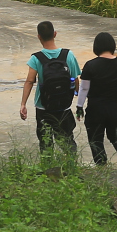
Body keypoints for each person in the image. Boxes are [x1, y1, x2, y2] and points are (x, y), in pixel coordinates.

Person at [75, 32, 117, 167]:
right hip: (116, 108)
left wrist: (79, 107)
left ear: (96, 47)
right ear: (112, 46)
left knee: (95, 137)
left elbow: (84, 89)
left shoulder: (90, 65)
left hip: (96, 108)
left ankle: (101, 163)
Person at [18, 20, 78, 155]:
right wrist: (76, 96)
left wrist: (23, 104)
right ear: (55, 34)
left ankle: (48, 170)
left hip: (43, 106)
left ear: (39, 36)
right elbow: (75, 79)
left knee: (45, 143)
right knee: (67, 140)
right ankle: (71, 168)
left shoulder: (36, 58)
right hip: (64, 106)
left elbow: (29, 81)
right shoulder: (68, 55)